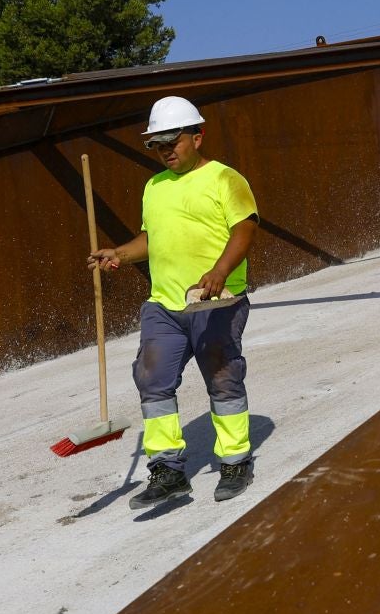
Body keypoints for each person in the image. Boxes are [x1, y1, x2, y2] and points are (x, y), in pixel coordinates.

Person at [88, 95, 260, 509]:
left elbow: (246, 229)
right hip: (164, 304)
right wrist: (120, 254)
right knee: (152, 378)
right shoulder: (154, 188)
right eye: (157, 143)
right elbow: (151, 239)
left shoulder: (225, 179)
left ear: (197, 137)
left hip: (216, 302)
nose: (165, 149)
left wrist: (219, 272)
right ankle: (167, 470)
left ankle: (235, 460)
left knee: (221, 374)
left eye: (173, 139)